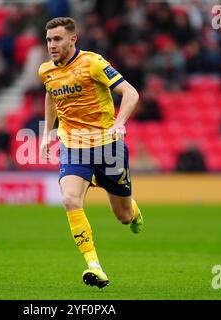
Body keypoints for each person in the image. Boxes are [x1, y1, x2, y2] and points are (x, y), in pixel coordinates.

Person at [38, 17, 143, 289]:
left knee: (123, 216)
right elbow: (51, 93)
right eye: (49, 39)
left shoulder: (93, 63)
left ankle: (132, 210)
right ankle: (94, 266)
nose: (52, 45)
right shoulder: (46, 71)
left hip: (108, 148)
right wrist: (48, 132)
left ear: (73, 39)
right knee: (70, 199)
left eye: (57, 39)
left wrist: (119, 123)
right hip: (73, 147)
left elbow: (131, 93)